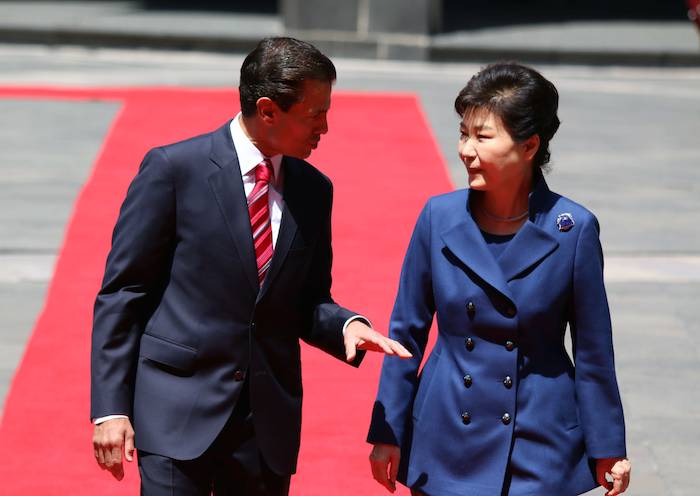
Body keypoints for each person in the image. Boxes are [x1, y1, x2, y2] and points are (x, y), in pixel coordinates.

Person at [90, 37, 411, 495]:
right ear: (268, 110)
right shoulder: (174, 170)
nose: (325, 127)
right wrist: (110, 408)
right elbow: (124, 293)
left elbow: (307, 300)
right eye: (314, 113)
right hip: (175, 413)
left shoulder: (314, 190)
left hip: (264, 427)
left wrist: (346, 327)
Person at [367, 62, 631, 495]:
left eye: (483, 137)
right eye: (463, 133)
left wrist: (608, 446)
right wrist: (388, 430)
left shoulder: (573, 229)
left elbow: (593, 352)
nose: (467, 149)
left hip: (537, 441)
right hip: (448, 433)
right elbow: (406, 335)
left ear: (529, 146)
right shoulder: (439, 217)